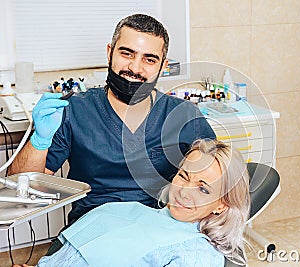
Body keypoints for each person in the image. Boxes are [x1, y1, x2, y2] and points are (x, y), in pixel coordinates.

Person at [9, 13, 215, 225]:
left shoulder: (184, 116)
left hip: (160, 229)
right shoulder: (74, 110)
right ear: (110, 53)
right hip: (92, 230)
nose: (135, 68)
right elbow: (21, 189)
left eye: (149, 59)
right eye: (127, 53)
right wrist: (39, 141)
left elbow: (218, 184)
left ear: (163, 66)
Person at [14, 139, 250, 267]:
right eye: (183, 176)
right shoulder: (129, 211)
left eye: (203, 189)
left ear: (222, 205)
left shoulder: (195, 253)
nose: (184, 193)